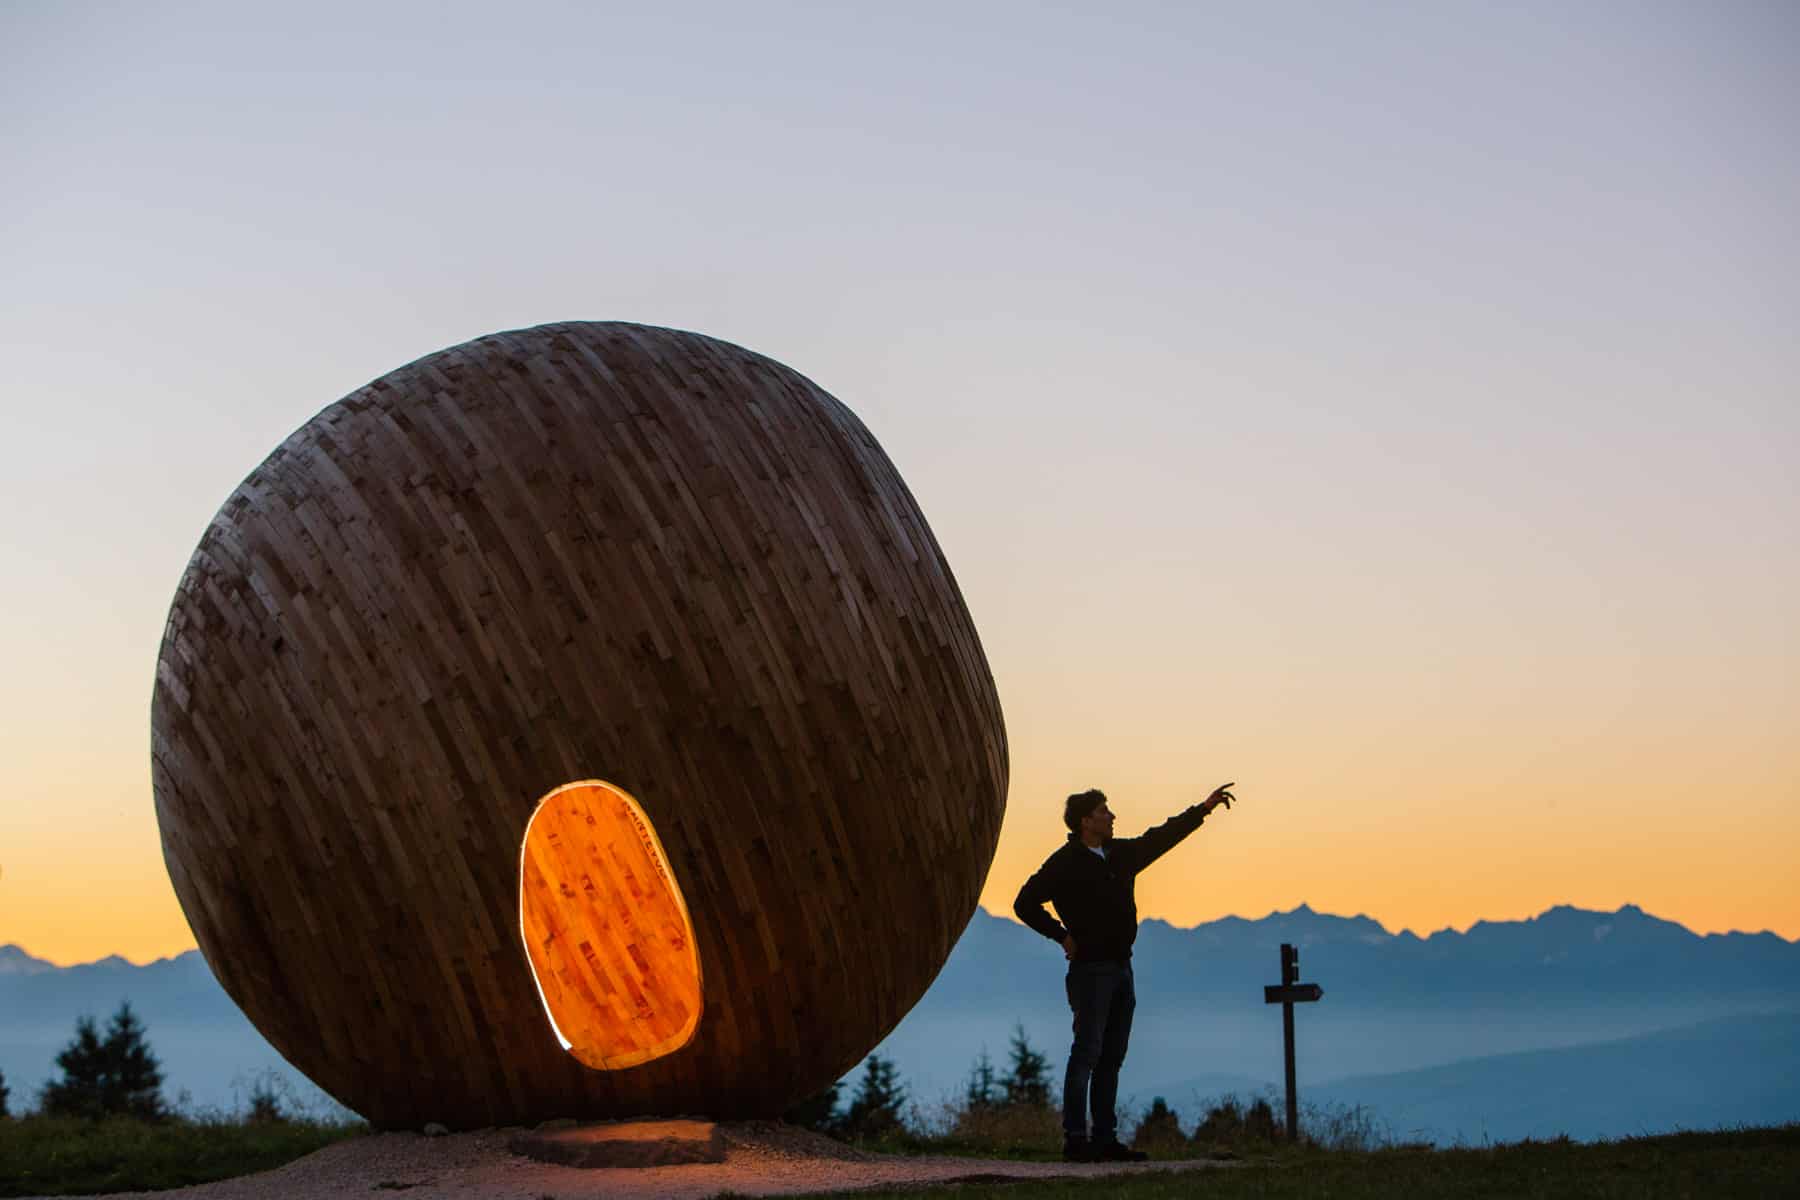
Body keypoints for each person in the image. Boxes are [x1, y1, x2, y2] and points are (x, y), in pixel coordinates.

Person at [1013, 782, 1237, 1162]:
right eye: (1104, 811)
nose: (1112, 816)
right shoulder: (1065, 863)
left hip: (1121, 968)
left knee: (1111, 1058)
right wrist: (1061, 936)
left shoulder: (1119, 854)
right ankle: (1075, 1140)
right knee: (1086, 1054)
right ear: (1085, 821)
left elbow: (1161, 838)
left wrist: (1203, 809)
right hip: (1090, 972)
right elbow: (1024, 902)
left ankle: (1104, 1140)